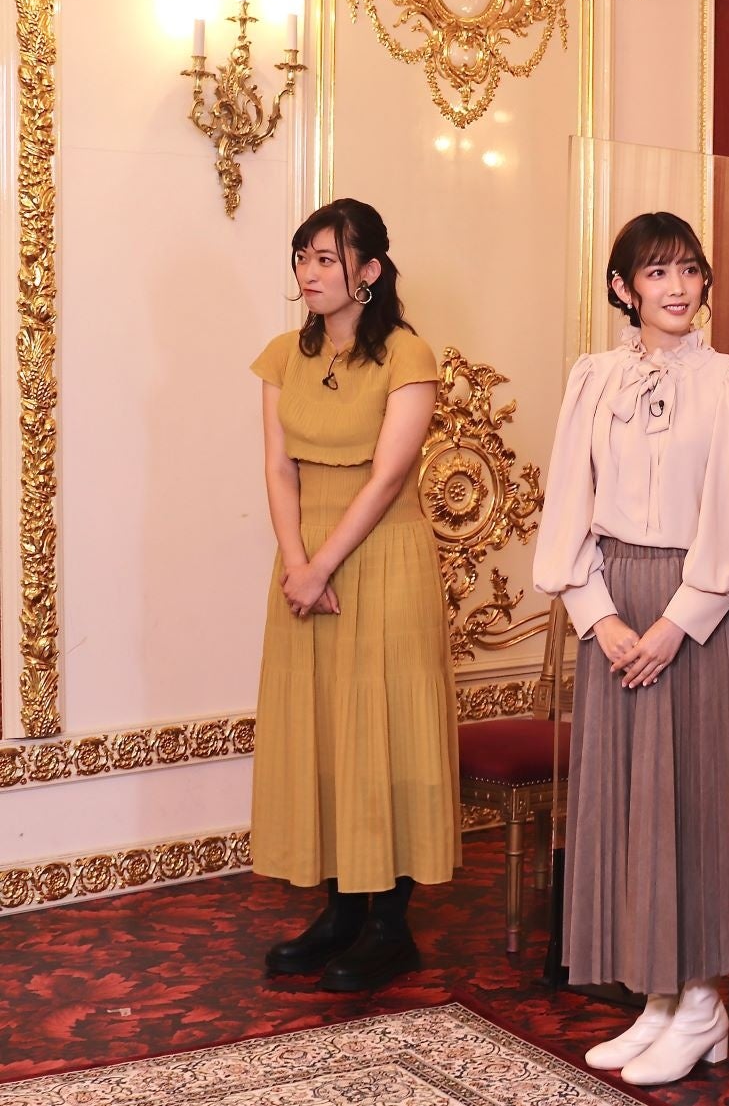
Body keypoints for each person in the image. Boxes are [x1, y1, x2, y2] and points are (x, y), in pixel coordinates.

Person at [534, 212, 729, 1087]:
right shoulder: (592, 377)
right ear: (622, 287)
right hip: (616, 612)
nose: (677, 287)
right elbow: (567, 501)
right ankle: (661, 998)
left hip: (698, 614)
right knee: (630, 806)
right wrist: (596, 614)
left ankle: (702, 999)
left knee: (696, 803)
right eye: (657, 271)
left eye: (689, 269)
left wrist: (678, 621)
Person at [252, 198, 460, 993]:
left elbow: (388, 476)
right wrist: (297, 561)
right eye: (302, 256)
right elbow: (278, 468)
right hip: (305, 557)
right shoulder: (283, 354)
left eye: (326, 258)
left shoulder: (407, 353)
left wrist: (322, 566)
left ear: (368, 271)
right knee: (325, 727)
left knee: (385, 726)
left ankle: (388, 926)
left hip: (381, 553)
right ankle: (340, 911)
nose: (308, 271)